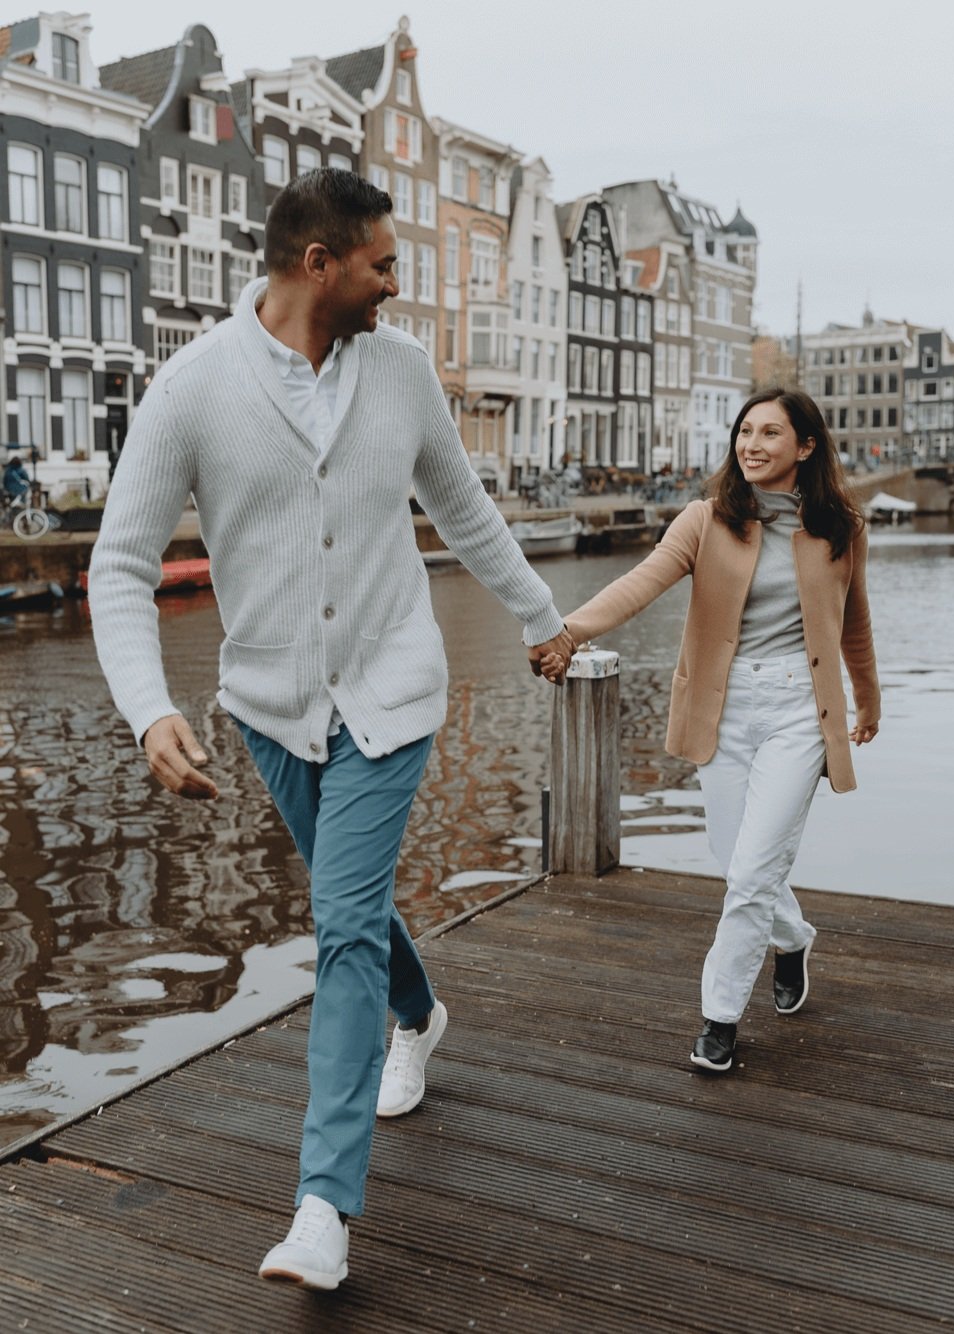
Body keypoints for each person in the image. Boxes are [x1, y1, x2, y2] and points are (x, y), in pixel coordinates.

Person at [88, 168, 573, 1291]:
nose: (395, 286)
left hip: (393, 687)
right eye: (382, 265)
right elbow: (117, 564)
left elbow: (463, 508)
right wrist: (150, 705)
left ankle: (322, 1204)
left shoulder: (399, 374)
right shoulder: (192, 387)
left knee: (341, 919)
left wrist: (544, 621)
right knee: (348, 902)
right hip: (267, 704)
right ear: (319, 264)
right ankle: (421, 1011)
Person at [542, 389, 879, 1073]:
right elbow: (640, 583)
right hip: (720, 711)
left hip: (796, 711)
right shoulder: (704, 520)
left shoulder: (839, 525)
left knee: (752, 872)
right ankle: (792, 938)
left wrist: (866, 701)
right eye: (744, 432)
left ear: (805, 447)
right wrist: (568, 631)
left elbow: (853, 622)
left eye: (770, 434)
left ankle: (718, 1020)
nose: (750, 445)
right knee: (737, 865)